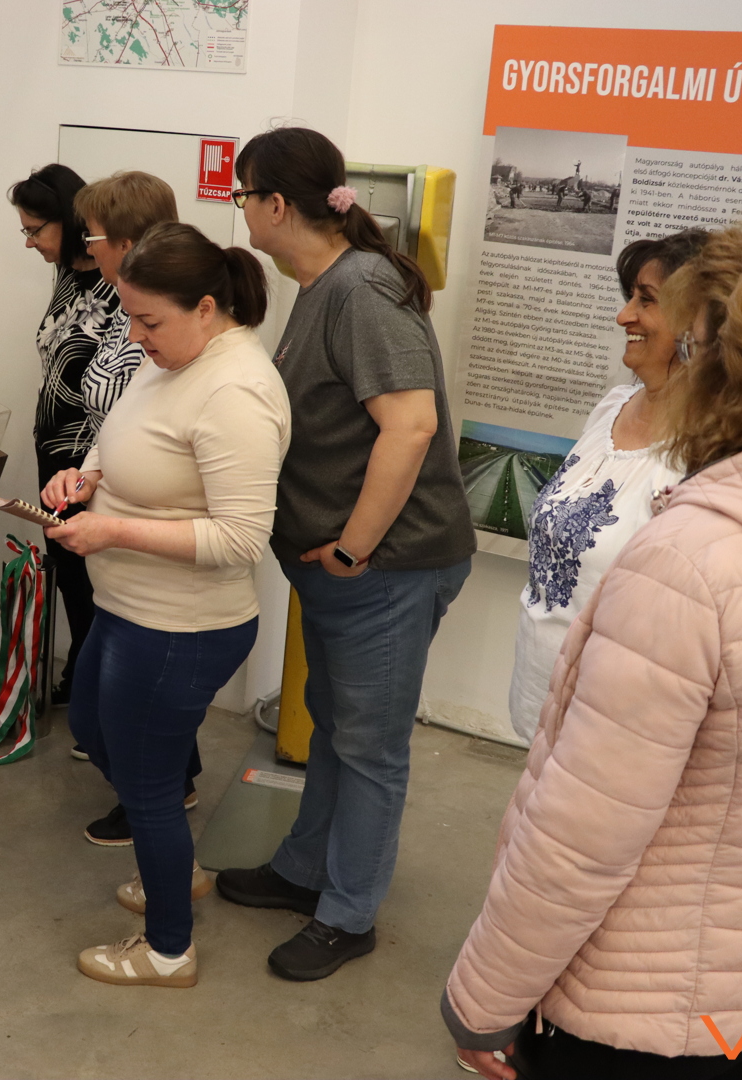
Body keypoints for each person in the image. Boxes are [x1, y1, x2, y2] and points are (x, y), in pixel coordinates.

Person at [446, 209, 742, 1080]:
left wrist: (481, 1003)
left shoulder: (691, 559)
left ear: (737, 362)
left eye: (694, 342)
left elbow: (581, 840)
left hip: (642, 1010)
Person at [214, 127, 476, 982]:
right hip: (345, 573)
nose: (239, 209)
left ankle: (348, 914)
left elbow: (412, 426)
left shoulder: (362, 288)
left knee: (369, 747)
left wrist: (355, 551)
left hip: (388, 569)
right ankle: (304, 871)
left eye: (243, 194)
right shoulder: (321, 284)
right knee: (335, 725)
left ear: (276, 204)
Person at [41, 222, 289, 988]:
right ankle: (172, 869)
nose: (136, 336)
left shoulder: (236, 390)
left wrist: (113, 528)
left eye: (148, 320)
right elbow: (127, 435)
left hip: (180, 625)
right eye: (130, 317)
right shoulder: (174, 358)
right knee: (92, 727)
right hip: (128, 607)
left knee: (147, 784)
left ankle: (167, 950)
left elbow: (241, 539)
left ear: (206, 308)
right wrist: (86, 475)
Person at [506, 230, 709, 744]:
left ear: (699, 323)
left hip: (616, 720)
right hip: (540, 692)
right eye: (629, 297)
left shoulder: (709, 449)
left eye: (646, 300)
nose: (624, 316)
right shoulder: (612, 407)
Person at [65, 171, 196, 843]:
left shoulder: (163, 325)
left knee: (138, 703)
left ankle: (160, 797)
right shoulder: (126, 308)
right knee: (101, 706)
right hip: (109, 512)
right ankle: (159, 788)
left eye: (92, 236)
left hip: (147, 537)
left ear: (122, 240)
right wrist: (88, 472)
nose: (86, 248)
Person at [9, 164, 117, 705]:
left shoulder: (117, 280)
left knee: (91, 575)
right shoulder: (67, 273)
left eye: (36, 230)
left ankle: (92, 682)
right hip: (50, 449)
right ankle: (81, 671)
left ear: (70, 221)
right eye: (24, 231)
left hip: (88, 458)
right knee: (67, 571)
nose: (29, 243)